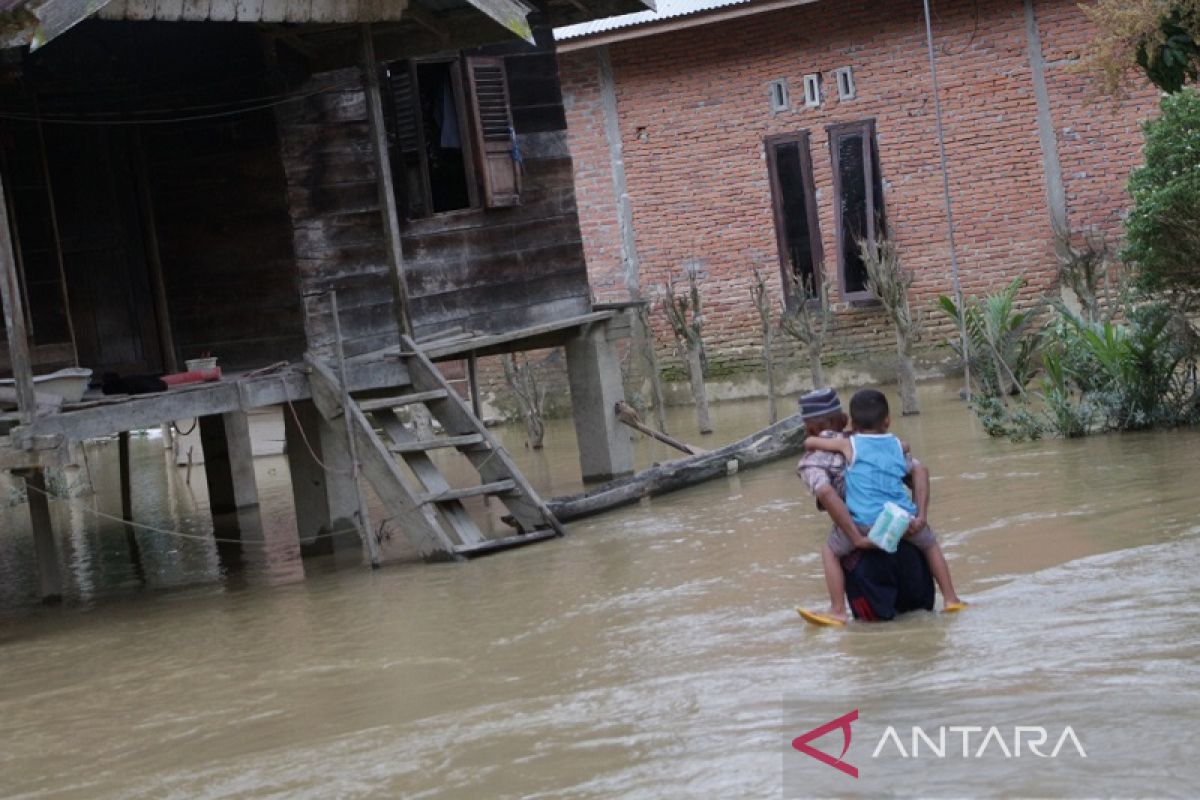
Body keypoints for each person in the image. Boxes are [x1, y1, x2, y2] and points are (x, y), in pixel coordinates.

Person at [800, 388, 965, 624]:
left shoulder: (826, 454)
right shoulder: (895, 445)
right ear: (887, 420)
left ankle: (837, 610)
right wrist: (920, 516)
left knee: (830, 551)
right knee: (930, 545)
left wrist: (856, 538)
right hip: (904, 527)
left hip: (864, 540)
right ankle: (951, 597)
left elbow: (825, 491)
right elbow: (919, 470)